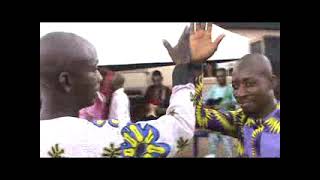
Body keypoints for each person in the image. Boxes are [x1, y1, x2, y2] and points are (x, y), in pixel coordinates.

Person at [40, 22, 225, 157]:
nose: (99, 77)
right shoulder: (97, 139)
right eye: (92, 69)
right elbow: (179, 127)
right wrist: (184, 69)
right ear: (66, 81)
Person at [194, 53, 280, 157]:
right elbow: (198, 116)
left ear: (272, 82)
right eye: (235, 86)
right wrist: (194, 65)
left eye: (250, 84)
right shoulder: (241, 119)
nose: (240, 93)